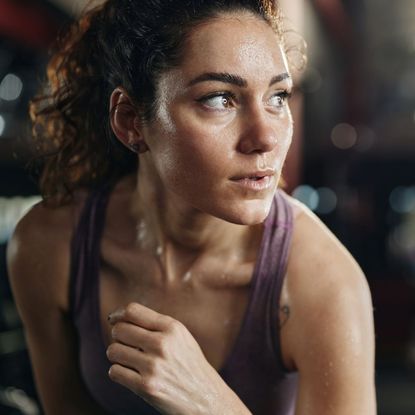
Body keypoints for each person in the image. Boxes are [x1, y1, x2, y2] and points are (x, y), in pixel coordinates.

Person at [6, 0, 376, 414]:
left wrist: (211, 404)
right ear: (130, 120)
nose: (266, 137)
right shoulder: (52, 247)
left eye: (278, 96)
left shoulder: (323, 282)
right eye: (220, 99)